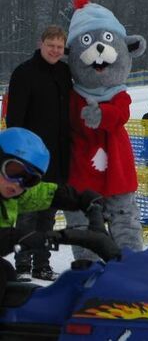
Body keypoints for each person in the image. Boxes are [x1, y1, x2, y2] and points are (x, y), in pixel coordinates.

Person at [0, 128, 101, 301]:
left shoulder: (11, 192)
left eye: (29, 180)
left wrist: (82, 199)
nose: (18, 183)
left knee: (7, 275)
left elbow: (45, 193)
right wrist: (18, 237)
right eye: (14, 171)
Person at [6, 25, 72, 281]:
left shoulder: (65, 72)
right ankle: (22, 264)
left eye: (59, 47)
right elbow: (15, 118)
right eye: (50, 46)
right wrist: (19, 154)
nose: (55, 51)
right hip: (30, 158)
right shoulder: (24, 73)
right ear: (41, 44)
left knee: (48, 214)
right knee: (27, 213)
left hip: (58, 157)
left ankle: (41, 263)